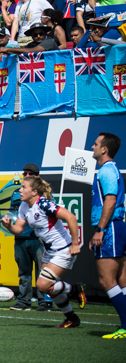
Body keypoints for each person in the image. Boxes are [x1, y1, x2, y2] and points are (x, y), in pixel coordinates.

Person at [0, 176, 86, 329]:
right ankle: (71, 318)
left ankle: (74, 289)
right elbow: (19, 230)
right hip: (49, 250)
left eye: (24, 187)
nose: (20, 190)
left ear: (34, 192)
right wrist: (8, 226)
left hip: (63, 249)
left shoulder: (44, 205)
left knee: (43, 285)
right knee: (48, 288)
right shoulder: (24, 206)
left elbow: (71, 217)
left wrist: (75, 244)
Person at [89, 132, 126, 339]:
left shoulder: (106, 171)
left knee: (107, 281)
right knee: (122, 281)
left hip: (110, 227)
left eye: (95, 144)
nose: (92, 147)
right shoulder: (110, 170)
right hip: (117, 226)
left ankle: (125, 326)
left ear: (104, 149)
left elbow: (110, 201)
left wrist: (101, 230)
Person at [8, 164, 52, 311]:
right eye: (25, 173)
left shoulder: (44, 195)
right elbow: (13, 211)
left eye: (30, 173)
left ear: (37, 176)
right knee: (23, 271)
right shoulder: (17, 193)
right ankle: (24, 301)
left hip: (38, 239)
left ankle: (44, 301)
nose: (26, 175)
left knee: (42, 271)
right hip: (21, 237)